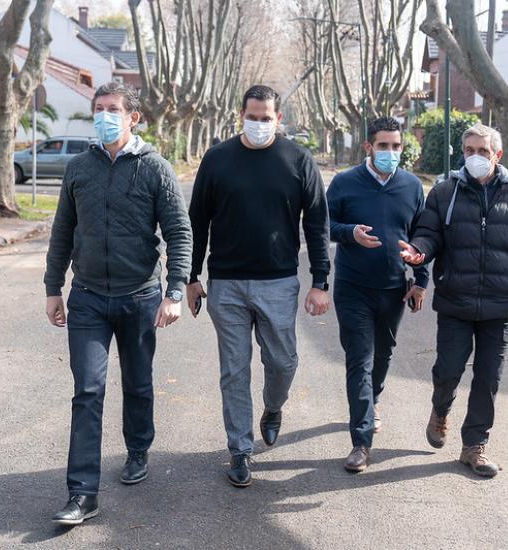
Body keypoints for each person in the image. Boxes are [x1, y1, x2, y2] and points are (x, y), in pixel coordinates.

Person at [44, 82, 192, 524]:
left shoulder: (156, 169)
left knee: (138, 383)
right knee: (87, 390)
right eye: (99, 108)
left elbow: (179, 233)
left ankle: (138, 447)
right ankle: (82, 494)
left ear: (134, 118)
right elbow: (62, 232)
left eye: (113, 109)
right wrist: (54, 287)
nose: (105, 115)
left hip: (140, 296)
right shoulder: (79, 168)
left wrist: (175, 291)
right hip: (87, 296)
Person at [187, 84, 331, 488]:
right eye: (253, 117)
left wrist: (320, 281)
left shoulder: (298, 160)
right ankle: (240, 449)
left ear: (278, 119)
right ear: (241, 116)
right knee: (234, 370)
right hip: (227, 284)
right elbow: (197, 221)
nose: (259, 124)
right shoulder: (217, 159)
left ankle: (272, 408)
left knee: (283, 362)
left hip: (279, 282)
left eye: (266, 118)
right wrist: (192, 277)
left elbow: (317, 224)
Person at [399, 123, 508, 477]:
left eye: (483, 152)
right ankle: (440, 410)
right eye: (469, 151)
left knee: (488, 377)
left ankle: (474, 446)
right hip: (455, 302)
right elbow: (427, 234)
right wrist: (418, 253)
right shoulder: (444, 193)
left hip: (500, 306)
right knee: (448, 371)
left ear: (497, 155)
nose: (475, 157)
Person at [326, 117, 429, 472]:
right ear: (368, 147)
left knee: (383, 355)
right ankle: (361, 441)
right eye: (383, 146)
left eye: (396, 146)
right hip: (353, 287)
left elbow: (423, 238)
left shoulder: (412, 186)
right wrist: (350, 233)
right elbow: (323, 225)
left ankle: (372, 403)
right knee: (360, 359)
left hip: (394, 289)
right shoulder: (344, 183)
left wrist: (421, 280)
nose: (390, 152)